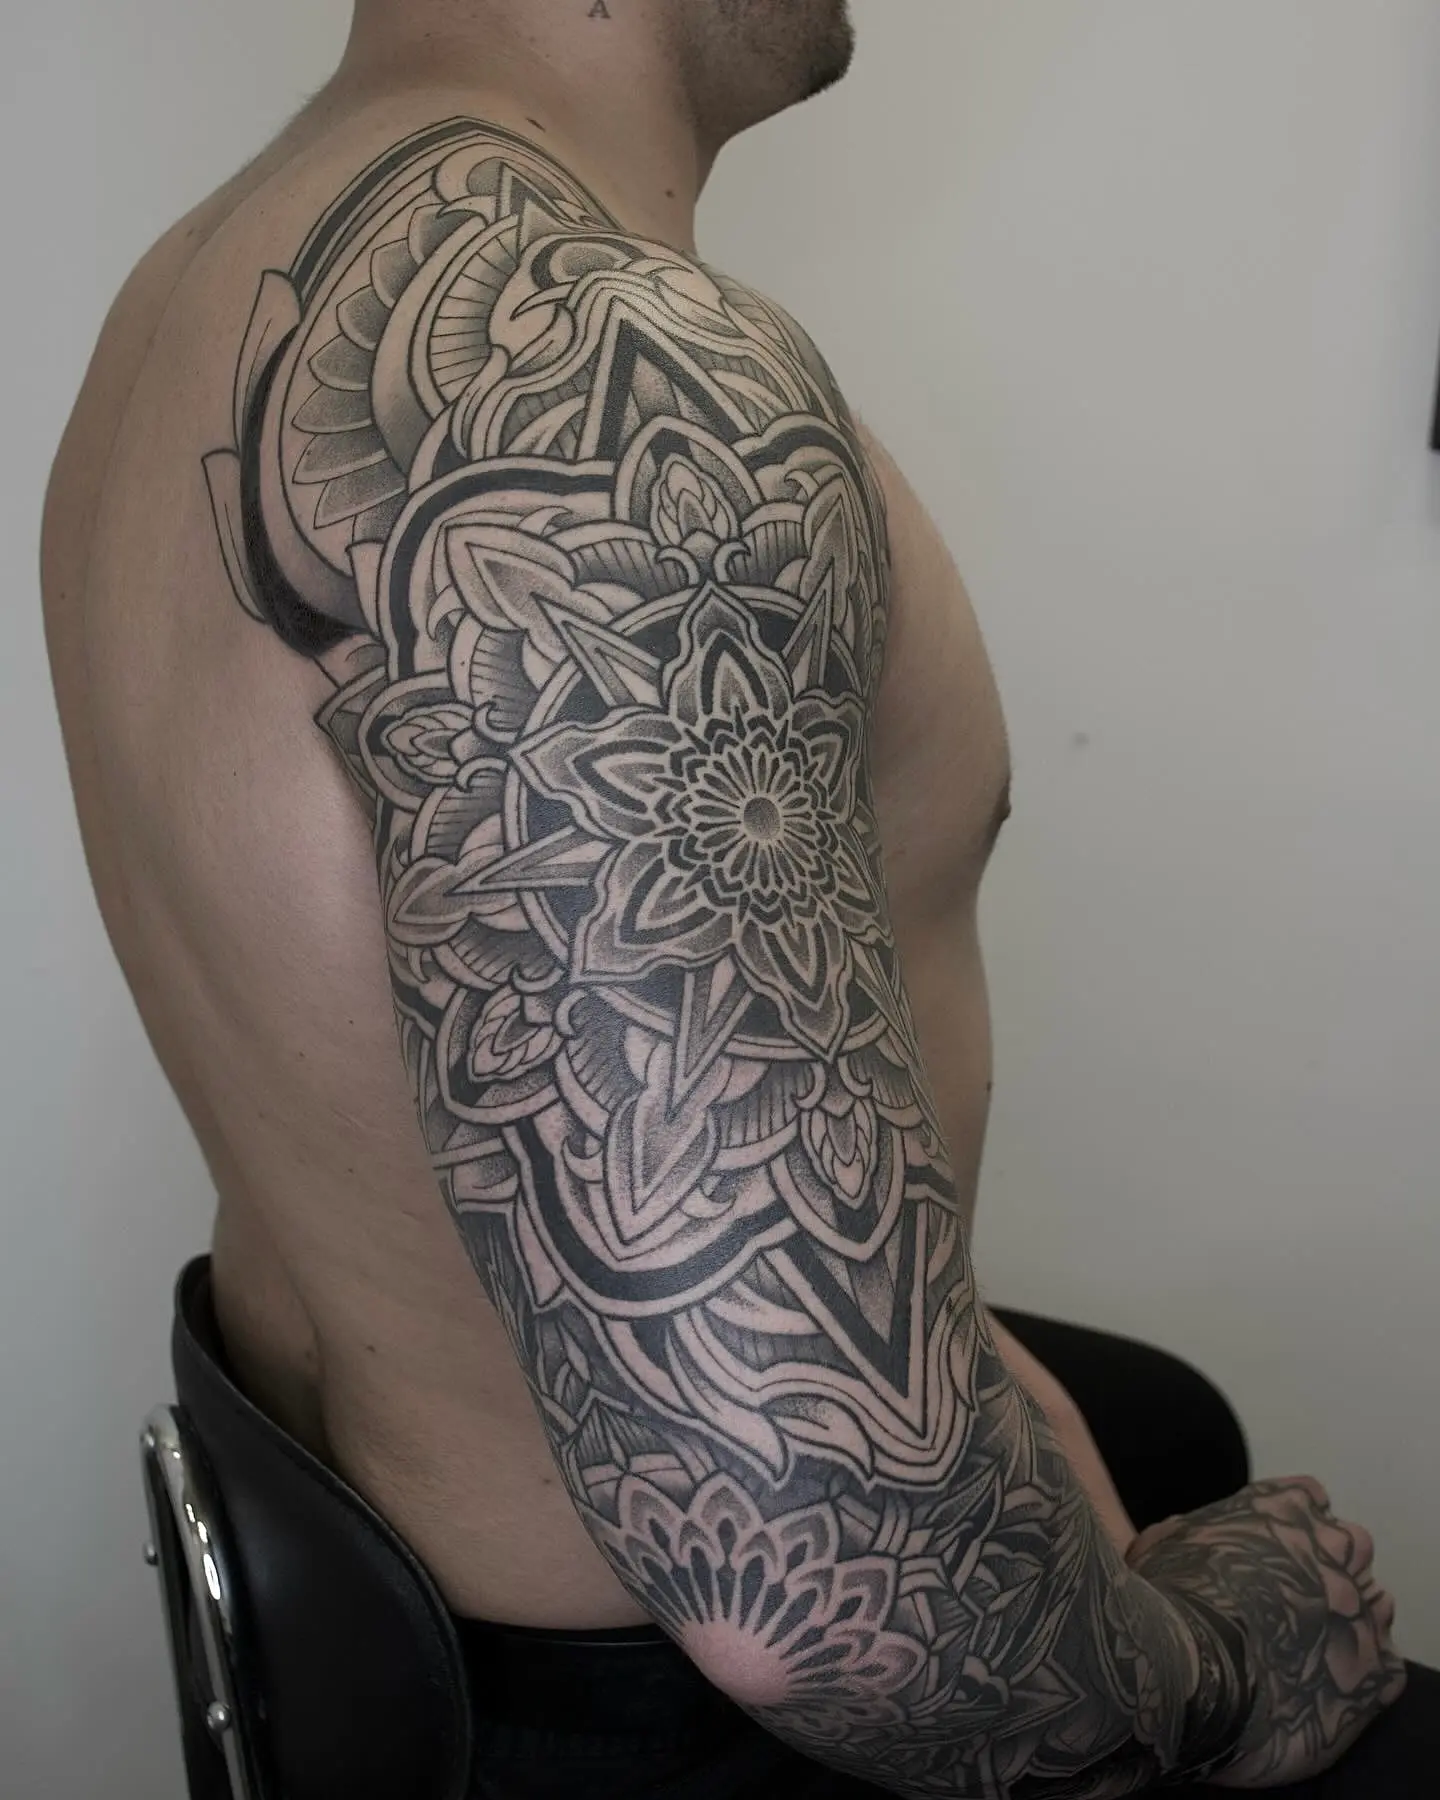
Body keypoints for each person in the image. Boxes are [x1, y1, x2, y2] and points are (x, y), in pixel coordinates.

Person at [42, 3, 1429, 1794]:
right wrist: (1224, 1660)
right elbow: (845, 1591)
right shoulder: (591, 359)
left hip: (370, 1638)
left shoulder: (196, 290)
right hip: (669, 1712)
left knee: (1165, 1415)